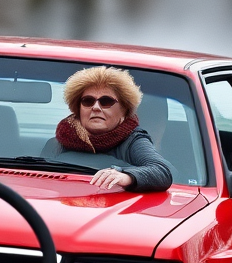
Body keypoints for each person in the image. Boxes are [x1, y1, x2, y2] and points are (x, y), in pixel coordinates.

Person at [42, 66, 173, 191]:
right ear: (78, 109)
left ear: (123, 111)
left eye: (106, 102)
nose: (96, 107)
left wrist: (126, 176)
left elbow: (162, 171)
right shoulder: (56, 144)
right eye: (88, 101)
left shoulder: (133, 141)